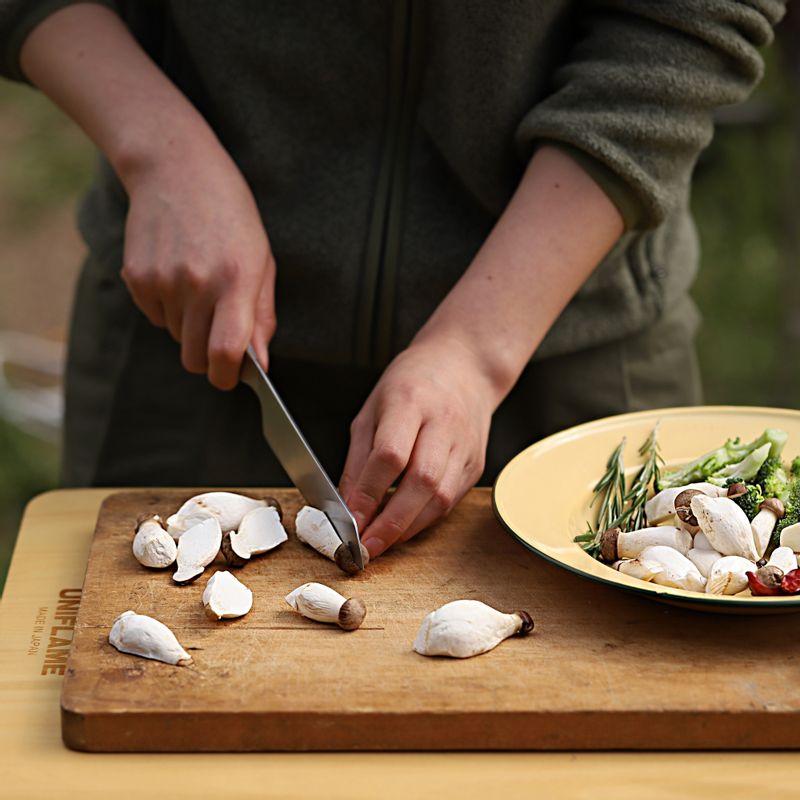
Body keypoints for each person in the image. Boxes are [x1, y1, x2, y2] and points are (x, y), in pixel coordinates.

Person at [0, 1, 786, 559]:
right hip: (191, 336)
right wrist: (157, 147)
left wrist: (480, 344)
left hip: (568, 340)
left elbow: (697, 16)